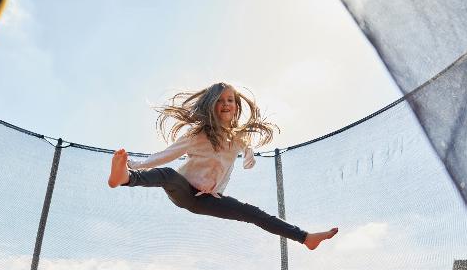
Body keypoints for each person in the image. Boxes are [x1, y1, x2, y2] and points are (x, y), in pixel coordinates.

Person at [108, 82, 338, 250]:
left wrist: (250, 154)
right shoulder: (196, 135)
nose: (226, 104)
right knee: (168, 174)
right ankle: (125, 178)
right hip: (184, 190)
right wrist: (135, 165)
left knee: (251, 212)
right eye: (220, 100)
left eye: (230, 100)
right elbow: (167, 155)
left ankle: (305, 238)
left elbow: (246, 146)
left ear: (236, 107)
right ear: (211, 106)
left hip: (209, 199)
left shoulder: (238, 138)